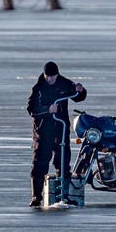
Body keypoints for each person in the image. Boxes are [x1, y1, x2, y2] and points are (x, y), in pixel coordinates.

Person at [26, 61, 87, 207]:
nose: (50, 79)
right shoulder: (39, 88)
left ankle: (64, 196)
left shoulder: (64, 83)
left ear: (57, 75)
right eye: (48, 77)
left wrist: (81, 90)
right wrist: (47, 110)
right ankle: (36, 197)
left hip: (61, 131)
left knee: (63, 164)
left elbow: (78, 96)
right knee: (40, 164)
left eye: (52, 77)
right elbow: (32, 109)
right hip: (43, 133)